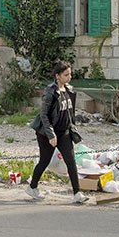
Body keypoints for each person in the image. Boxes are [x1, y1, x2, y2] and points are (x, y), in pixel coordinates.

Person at [26, 60, 88, 204]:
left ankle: (77, 193)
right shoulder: (50, 92)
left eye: (70, 74)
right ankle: (32, 187)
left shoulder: (69, 90)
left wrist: (73, 129)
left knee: (71, 162)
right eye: (66, 75)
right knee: (44, 161)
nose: (69, 77)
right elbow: (44, 115)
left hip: (64, 132)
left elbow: (69, 113)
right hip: (47, 133)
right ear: (57, 76)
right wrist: (50, 134)